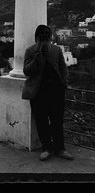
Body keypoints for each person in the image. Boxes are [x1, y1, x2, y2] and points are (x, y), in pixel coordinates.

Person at [22, 25, 73, 161]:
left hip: (56, 91)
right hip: (38, 92)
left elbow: (63, 67)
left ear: (50, 38)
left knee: (57, 120)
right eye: (43, 38)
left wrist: (64, 81)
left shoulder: (56, 50)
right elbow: (26, 70)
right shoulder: (30, 51)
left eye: (47, 38)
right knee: (42, 121)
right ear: (37, 39)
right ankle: (47, 148)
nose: (46, 41)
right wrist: (37, 59)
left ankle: (60, 149)